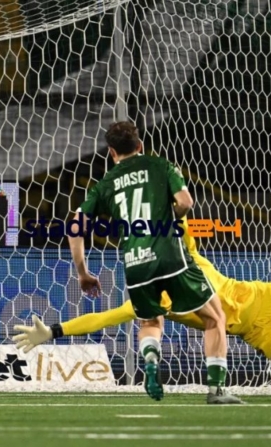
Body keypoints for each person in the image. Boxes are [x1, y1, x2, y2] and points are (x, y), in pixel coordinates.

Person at [14, 217, 271, 401]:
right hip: (256, 333)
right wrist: (52, 332)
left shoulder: (187, 252)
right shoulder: (152, 296)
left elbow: (178, 211)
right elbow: (103, 318)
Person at [61, 121, 242, 404]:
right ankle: (217, 390)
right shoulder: (162, 166)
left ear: (111, 152)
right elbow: (186, 202)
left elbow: (75, 227)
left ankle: (150, 358)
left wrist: (83, 273)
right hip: (170, 255)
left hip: (135, 263)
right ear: (140, 146)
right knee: (215, 317)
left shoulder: (105, 184)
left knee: (150, 320)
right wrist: (172, 213)